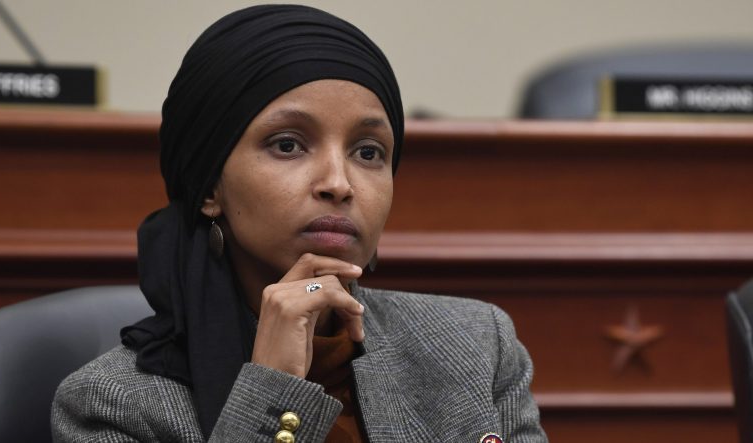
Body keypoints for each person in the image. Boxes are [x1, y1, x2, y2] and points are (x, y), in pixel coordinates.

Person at [51, 5, 547, 443]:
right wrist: (274, 391)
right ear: (208, 188)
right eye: (287, 144)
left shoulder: (477, 345)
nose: (339, 182)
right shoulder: (111, 406)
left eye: (368, 152)